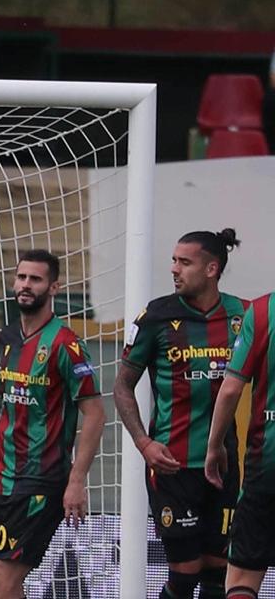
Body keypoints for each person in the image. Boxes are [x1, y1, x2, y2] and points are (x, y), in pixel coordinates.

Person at [0, 250, 106, 599]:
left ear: (53, 287)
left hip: (41, 483)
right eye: (21, 278)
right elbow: (0, 403)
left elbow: (95, 413)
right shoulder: (7, 338)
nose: (25, 285)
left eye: (35, 279)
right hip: (4, 481)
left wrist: (77, 482)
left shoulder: (66, 344)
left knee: (4, 583)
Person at [113, 229, 246, 599]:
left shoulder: (242, 315)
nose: (174, 269)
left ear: (211, 268)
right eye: (173, 260)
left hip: (222, 464)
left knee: (220, 572)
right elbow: (122, 386)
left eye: (184, 262)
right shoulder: (155, 317)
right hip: (172, 465)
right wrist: (144, 443)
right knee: (185, 573)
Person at [205, 292, 275, 599]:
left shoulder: (262, 311)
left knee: (243, 576)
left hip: (267, 463)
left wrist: (214, 446)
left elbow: (231, 388)